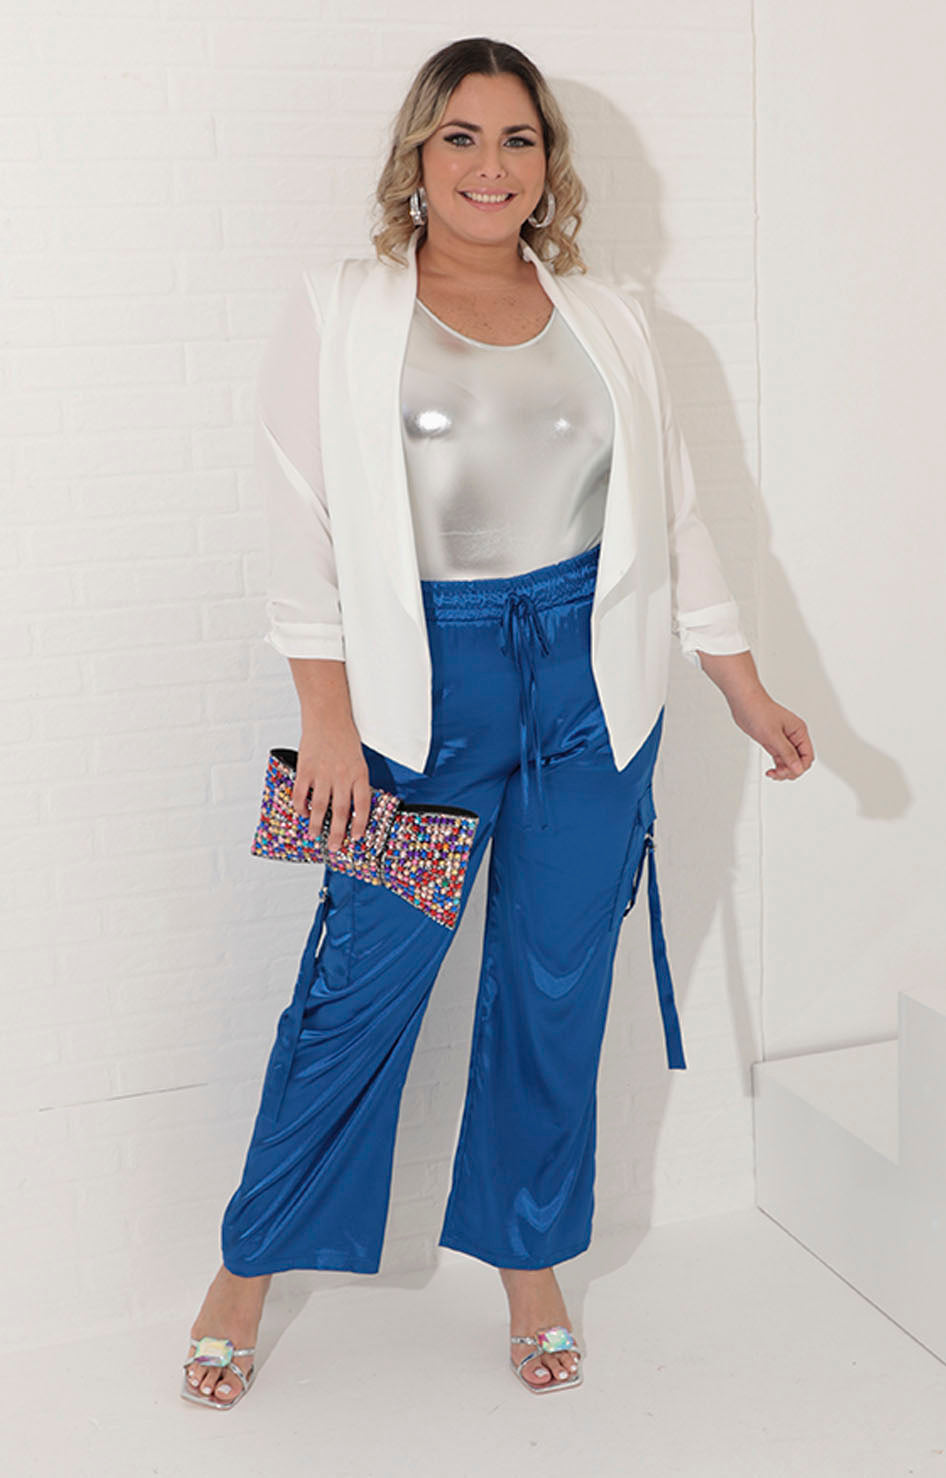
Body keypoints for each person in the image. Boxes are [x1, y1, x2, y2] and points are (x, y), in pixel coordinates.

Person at [181, 37, 814, 1409]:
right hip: (416, 703)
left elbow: (677, 514)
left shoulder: (609, 317)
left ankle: (531, 1265)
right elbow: (302, 527)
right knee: (355, 997)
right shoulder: (343, 307)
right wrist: (327, 721)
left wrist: (741, 682)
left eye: (517, 138)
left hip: (591, 697)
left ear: (548, 163)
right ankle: (246, 1268)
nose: (490, 164)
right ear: (417, 155)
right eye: (460, 136)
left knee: (552, 995)